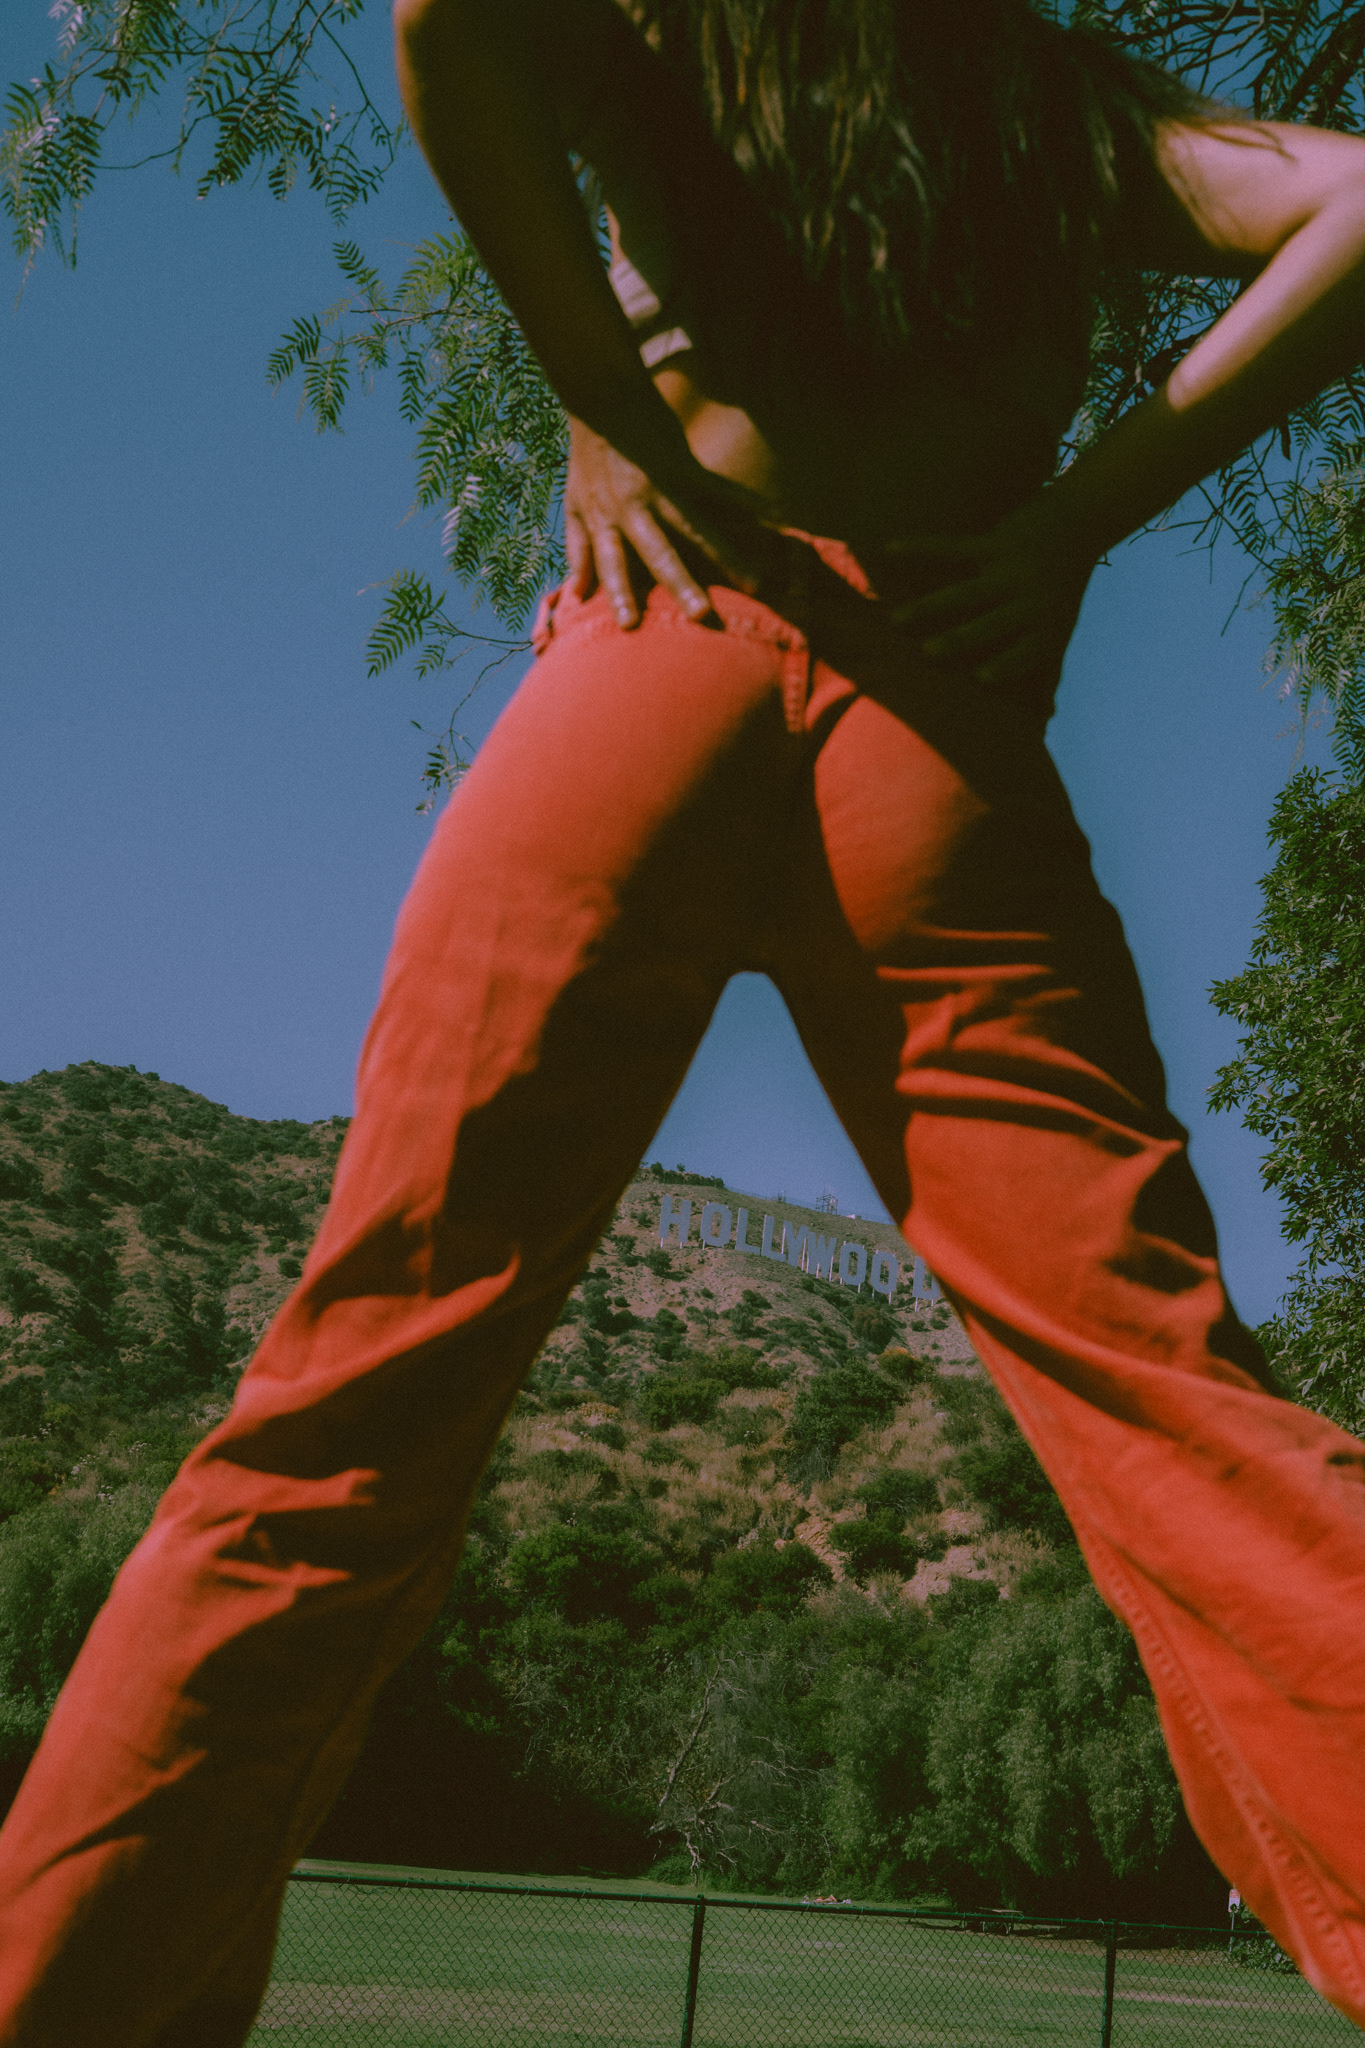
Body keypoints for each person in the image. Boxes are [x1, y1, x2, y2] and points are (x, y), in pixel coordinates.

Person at [2, 0, 1365, 2040]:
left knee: (349, 1409)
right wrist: (1076, 515)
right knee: (1173, 1409)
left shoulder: (703, 35)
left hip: (658, 650)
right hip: (930, 717)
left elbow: (444, 16)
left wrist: (599, 400)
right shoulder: (1058, 113)